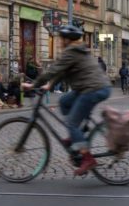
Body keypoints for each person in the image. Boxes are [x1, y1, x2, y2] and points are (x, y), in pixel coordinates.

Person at [22, 25, 111, 176]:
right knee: (64, 102)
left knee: (71, 123)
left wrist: (33, 85)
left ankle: (87, 158)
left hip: (92, 89)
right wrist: (49, 85)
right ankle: (76, 134)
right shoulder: (77, 49)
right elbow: (64, 71)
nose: (59, 41)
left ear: (66, 39)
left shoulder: (71, 51)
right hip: (88, 87)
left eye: (61, 38)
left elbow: (53, 70)